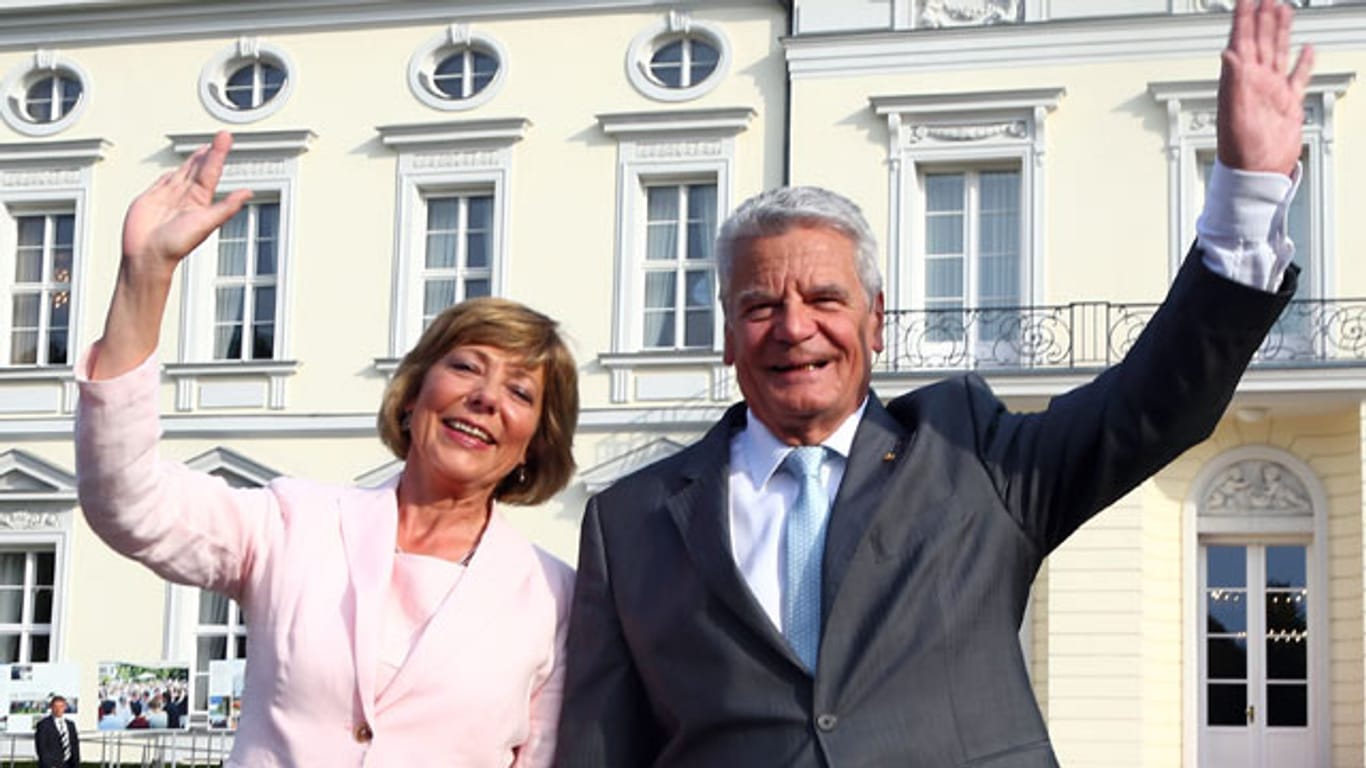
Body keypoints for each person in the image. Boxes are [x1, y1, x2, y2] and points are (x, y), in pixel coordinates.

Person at [554, 1, 1312, 765]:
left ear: (875, 322)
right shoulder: (630, 521)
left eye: (824, 300)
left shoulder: (973, 453)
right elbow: (600, 747)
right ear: (726, 332)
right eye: (759, 306)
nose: (793, 328)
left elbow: (1155, 404)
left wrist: (1245, 200)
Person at [76, 133, 579, 765]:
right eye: (466, 366)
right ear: (412, 395)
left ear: (537, 442)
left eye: (520, 392)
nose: (485, 397)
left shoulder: (554, 598)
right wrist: (144, 278)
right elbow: (127, 502)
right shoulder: (295, 523)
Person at [34, 696, 79, 768]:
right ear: (51, 707)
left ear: (65, 707)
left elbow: (75, 745)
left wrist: (76, 764)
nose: (58, 709)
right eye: (55, 706)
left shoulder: (71, 725)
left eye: (61, 706)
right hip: (52, 765)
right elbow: (41, 748)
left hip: (69, 764)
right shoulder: (43, 725)